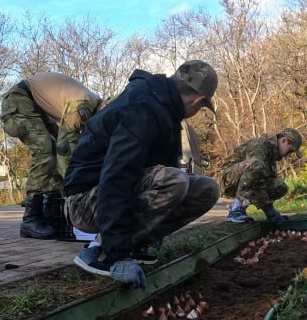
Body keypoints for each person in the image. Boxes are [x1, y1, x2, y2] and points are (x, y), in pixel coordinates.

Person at [62, 60, 222, 289]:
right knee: (174, 181)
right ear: (198, 101)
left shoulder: (167, 110)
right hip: (84, 201)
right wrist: (117, 252)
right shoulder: (141, 107)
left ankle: (137, 244)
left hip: (108, 193)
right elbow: (116, 175)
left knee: (206, 189)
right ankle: (100, 251)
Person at [0, 71, 103, 240]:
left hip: (32, 104)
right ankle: (30, 219)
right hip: (18, 100)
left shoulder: (90, 102)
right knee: (47, 151)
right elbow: (67, 149)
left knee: (54, 150)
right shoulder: (82, 105)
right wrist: (76, 189)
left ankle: (51, 214)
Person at [222, 127, 304, 224]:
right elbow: (254, 176)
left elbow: (262, 184)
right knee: (256, 166)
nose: (288, 154)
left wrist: (270, 212)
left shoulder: (272, 154)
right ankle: (235, 210)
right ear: (284, 140)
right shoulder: (259, 146)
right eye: (290, 150)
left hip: (245, 180)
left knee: (279, 186)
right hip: (228, 179)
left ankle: (245, 209)